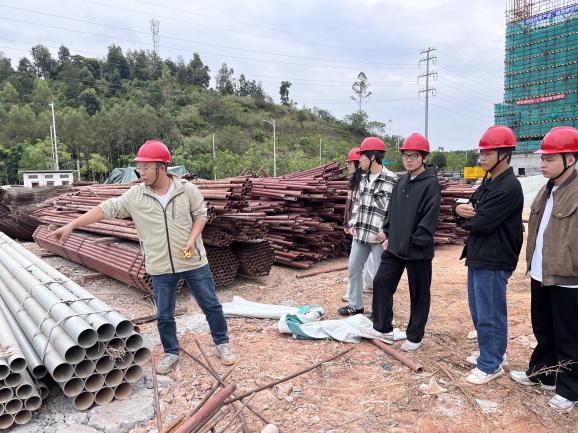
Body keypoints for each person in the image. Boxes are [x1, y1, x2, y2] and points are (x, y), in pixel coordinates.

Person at [50, 140, 236, 374]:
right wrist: (72, 225)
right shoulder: (136, 195)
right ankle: (171, 352)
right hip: (159, 265)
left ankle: (222, 343)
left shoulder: (186, 189)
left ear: (162, 167)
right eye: (140, 167)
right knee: (164, 314)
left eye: (146, 167)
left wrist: (191, 239)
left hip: (193, 260)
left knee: (210, 304)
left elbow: (201, 215)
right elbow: (106, 209)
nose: (141, 172)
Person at [509, 126, 578, 412]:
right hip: (540, 273)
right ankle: (543, 374)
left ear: (570, 159)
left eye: (549, 159)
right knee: (544, 329)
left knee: (568, 336)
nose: (543, 164)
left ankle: (570, 389)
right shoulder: (547, 189)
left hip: (568, 278)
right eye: (543, 158)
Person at [454, 125, 523, 385]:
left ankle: (491, 364)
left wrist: (466, 214)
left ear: (504, 155)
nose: (482, 158)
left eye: (488, 153)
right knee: (479, 311)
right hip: (479, 255)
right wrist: (457, 209)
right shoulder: (489, 181)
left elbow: (481, 221)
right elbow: (468, 208)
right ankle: (492, 353)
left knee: (491, 313)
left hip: (495, 258)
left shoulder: (508, 187)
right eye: (481, 153)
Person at [372, 133, 441, 351]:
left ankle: (415, 336)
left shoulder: (431, 184)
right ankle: (383, 328)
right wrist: (387, 233)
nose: (409, 160)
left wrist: (414, 240)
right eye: (405, 155)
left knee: (419, 294)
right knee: (381, 282)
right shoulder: (401, 181)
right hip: (395, 247)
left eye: (414, 156)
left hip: (418, 250)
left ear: (424, 157)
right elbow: (391, 210)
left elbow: (428, 219)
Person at [338, 137, 397, 317]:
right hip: (360, 235)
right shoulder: (363, 179)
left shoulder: (392, 180)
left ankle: (379, 311)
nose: (359, 160)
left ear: (372, 157)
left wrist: (387, 232)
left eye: (362, 156)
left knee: (380, 277)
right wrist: (353, 223)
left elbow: (396, 211)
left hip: (378, 238)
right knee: (354, 269)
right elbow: (358, 204)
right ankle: (355, 305)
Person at [342, 146, 375, 302]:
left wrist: (354, 224)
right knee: (367, 259)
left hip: (363, 227)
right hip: (355, 226)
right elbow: (349, 206)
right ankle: (371, 283)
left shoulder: (364, 182)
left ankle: (352, 293)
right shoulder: (353, 182)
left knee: (358, 262)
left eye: (350, 163)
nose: (348, 166)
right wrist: (346, 223)